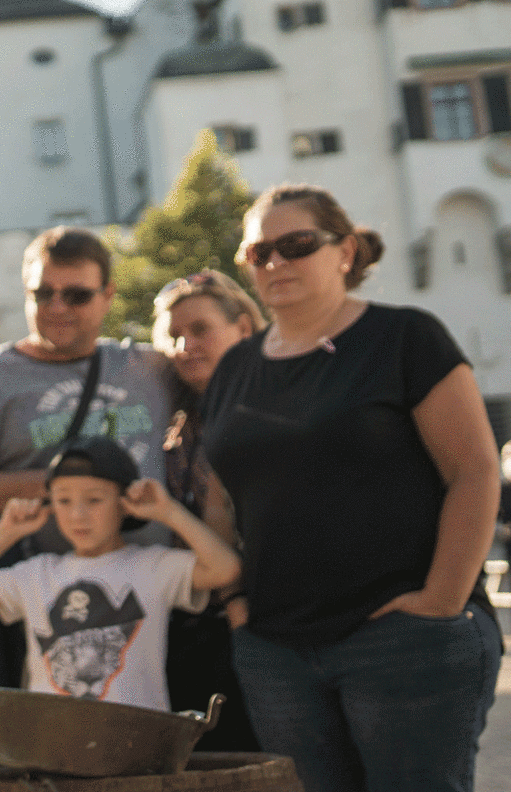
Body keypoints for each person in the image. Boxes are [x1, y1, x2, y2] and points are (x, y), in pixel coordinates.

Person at [201, 183, 502, 791]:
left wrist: (443, 601)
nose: (277, 263)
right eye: (260, 253)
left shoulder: (404, 338)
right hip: (275, 650)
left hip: (401, 637)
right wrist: (237, 609)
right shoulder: (236, 367)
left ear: (346, 251)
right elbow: (221, 498)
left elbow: (475, 469)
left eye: (297, 245)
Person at [0, 437, 240, 710]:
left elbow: (225, 569)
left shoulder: (154, 567)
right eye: (63, 500)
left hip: (138, 739)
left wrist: (168, 512)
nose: (77, 515)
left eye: (94, 500)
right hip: (51, 742)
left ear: (125, 502)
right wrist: (4, 532)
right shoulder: (37, 574)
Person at [0, 227, 176, 545]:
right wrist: (62, 484)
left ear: (107, 297)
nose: (57, 307)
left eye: (77, 295)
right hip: (40, 587)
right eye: (43, 294)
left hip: (153, 583)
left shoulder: (150, 368)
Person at [149, 270, 264, 750]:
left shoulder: (268, 406)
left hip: (267, 621)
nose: (184, 345)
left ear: (242, 329)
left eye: (200, 330)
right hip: (196, 626)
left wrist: (240, 605)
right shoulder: (179, 421)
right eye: (174, 335)